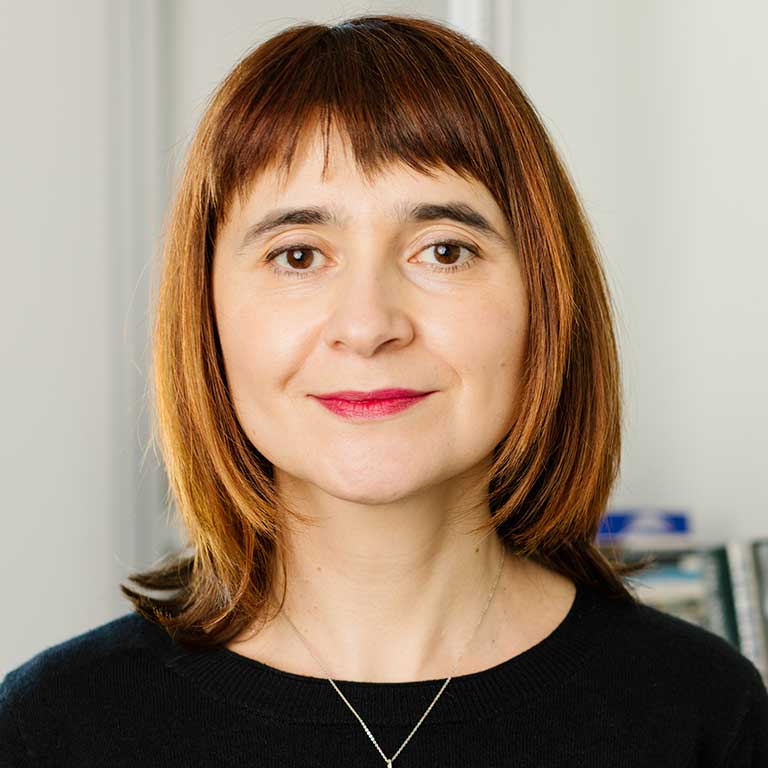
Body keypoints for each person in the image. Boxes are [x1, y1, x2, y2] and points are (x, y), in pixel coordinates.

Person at [1, 13, 766, 767]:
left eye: (443, 250)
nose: (367, 325)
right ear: (205, 317)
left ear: (545, 299)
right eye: (298, 255)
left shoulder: (707, 716)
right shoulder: (49, 731)